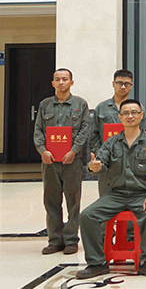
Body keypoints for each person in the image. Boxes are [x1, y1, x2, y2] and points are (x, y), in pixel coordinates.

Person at [77, 100, 146, 279]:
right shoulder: (112, 142)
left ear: (141, 115)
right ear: (120, 117)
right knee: (87, 215)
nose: (130, 116)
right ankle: (97, 263)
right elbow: (100, 162)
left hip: (140, 194)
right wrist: (93, 166)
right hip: (115, 195)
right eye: (126, 113)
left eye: (134, 112)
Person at [33, 68, 89, 256]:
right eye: (57, 79)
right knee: (51, 201)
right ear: (53, 83)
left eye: (65, 79)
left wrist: (74, 151)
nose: (61, 82)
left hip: (72, 162)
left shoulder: (80, 104)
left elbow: (84, 131)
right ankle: (55, 240)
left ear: (71, 82)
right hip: (50, 162)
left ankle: (71, 240)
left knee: (73, 202)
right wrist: (42, 150)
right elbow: (38, 130)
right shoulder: (45, 105)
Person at [90, 70, 139, 198]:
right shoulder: (101, 108)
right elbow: (94, 135)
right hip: (107, 164)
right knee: (106, 200)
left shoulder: (137, 108)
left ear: (131, 85)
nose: (122, 86)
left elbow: (143, 135)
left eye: (126, 84)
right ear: (113, 84)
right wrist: (102, 156)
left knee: (131, 201)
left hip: (131, 164)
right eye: (119, 83)